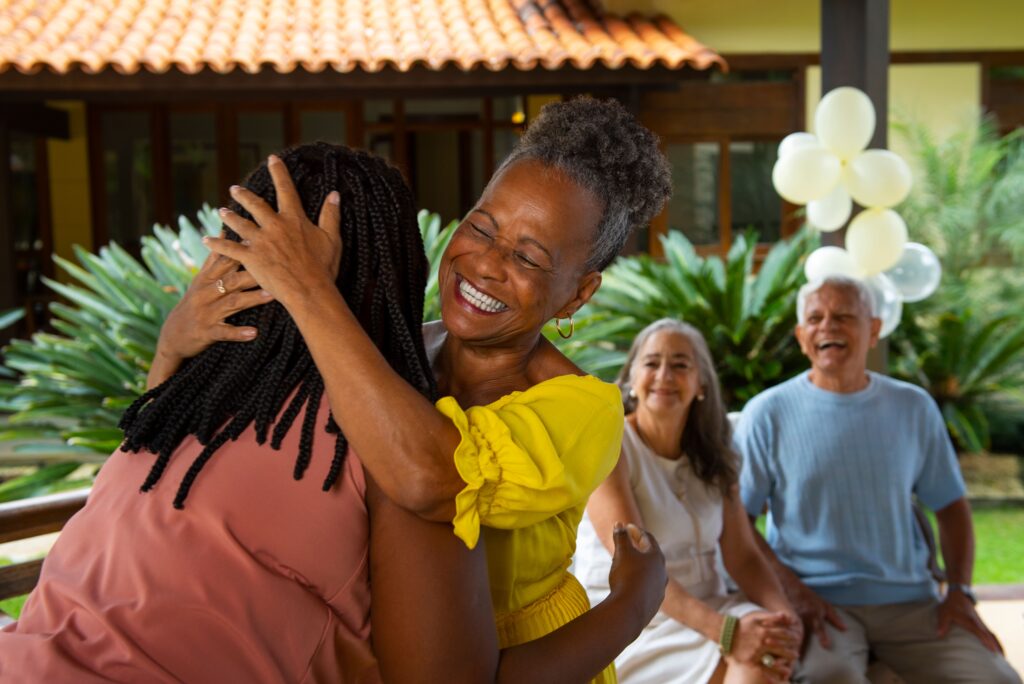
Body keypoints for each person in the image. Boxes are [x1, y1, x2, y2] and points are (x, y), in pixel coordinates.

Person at [0, 143, 667, 683]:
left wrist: (632, 604)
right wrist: (178, 345)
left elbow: (433, 473)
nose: (488, 264)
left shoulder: (561, 409)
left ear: (578, 295)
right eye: (481, 228)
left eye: (527, 255)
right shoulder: (364, 384)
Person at [735, 275, 1021, 684]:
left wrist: (960, 590)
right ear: (801, 337)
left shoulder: (913, 407)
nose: (828, 327)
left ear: (874, 330)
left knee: (997, 679)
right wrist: (792, 593)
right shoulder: (766, 413)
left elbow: (952, 506)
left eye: (844, 316)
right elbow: (737, 523)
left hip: (913, 605)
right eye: (815, 318)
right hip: (821, 606)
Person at [575, 319, 802, 684]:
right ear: (631, 378)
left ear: (701, 384)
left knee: (768, 645)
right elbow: (637, 569)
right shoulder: (610, 445)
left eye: (680, 364)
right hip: (633, 617)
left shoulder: (716, 453)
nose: (664, 374)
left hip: (712, 606)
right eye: (651, 363)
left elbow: (742, 555)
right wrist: (728, 634)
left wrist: (786, 618)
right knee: (756, 663)